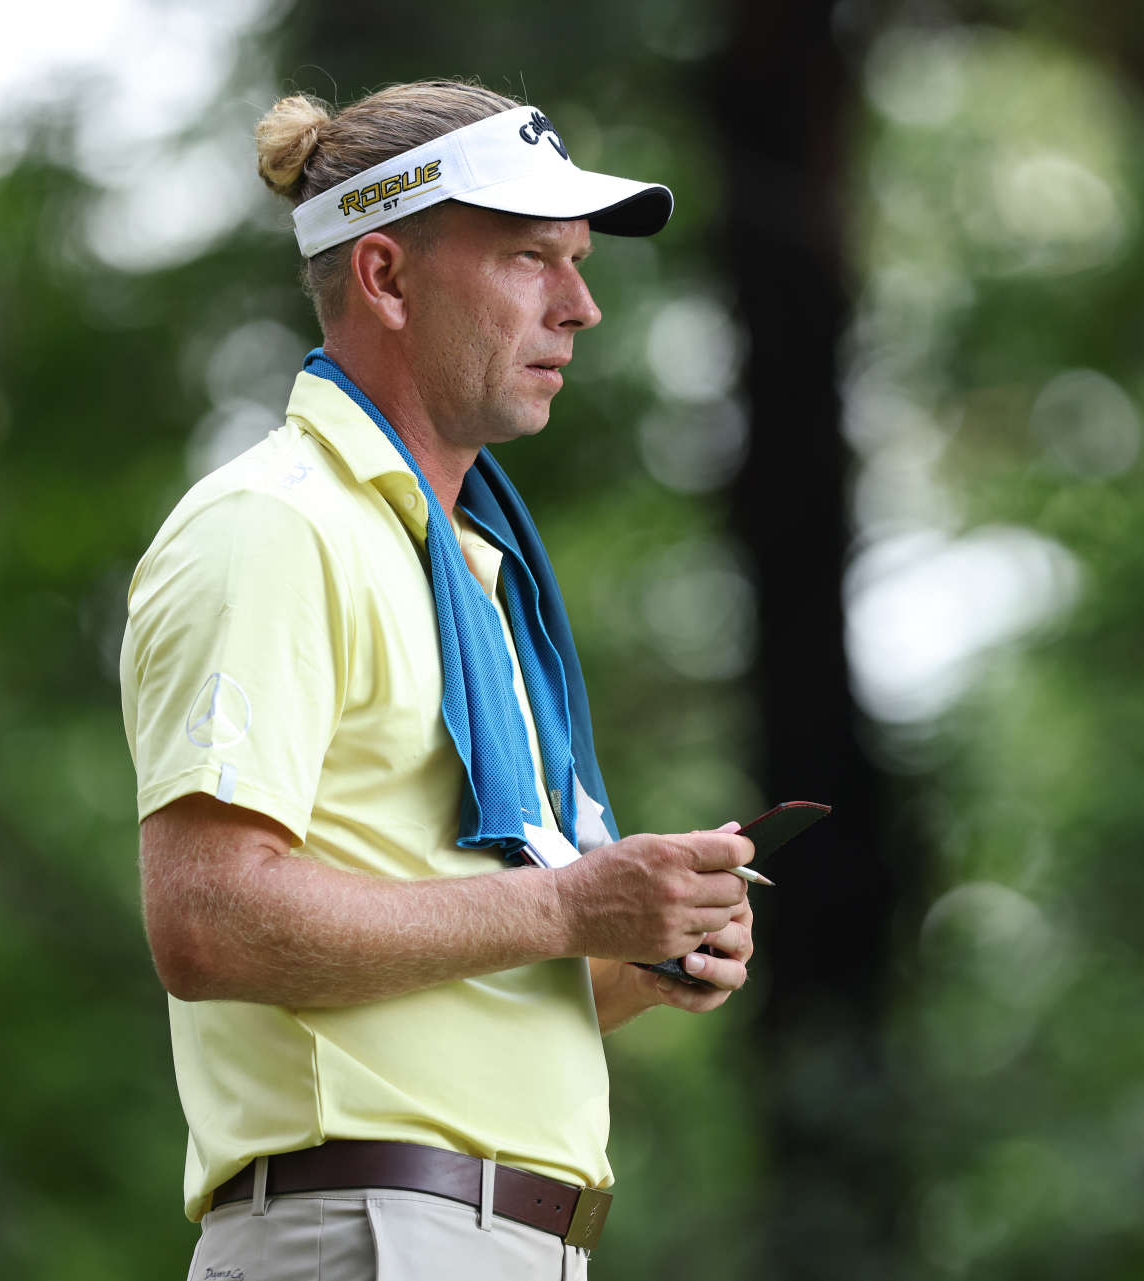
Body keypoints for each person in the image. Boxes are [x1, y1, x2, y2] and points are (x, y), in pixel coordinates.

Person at [117, 79, 759, 1281]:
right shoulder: (274, 527)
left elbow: (467, 971)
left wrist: (638, 944)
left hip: (478, 1241)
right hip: (365, 1231)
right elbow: (205, 922)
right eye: (529, 259)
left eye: (575, 262)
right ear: (386, 279)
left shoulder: (465, 563)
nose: (582, 306)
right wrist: (570, 908)